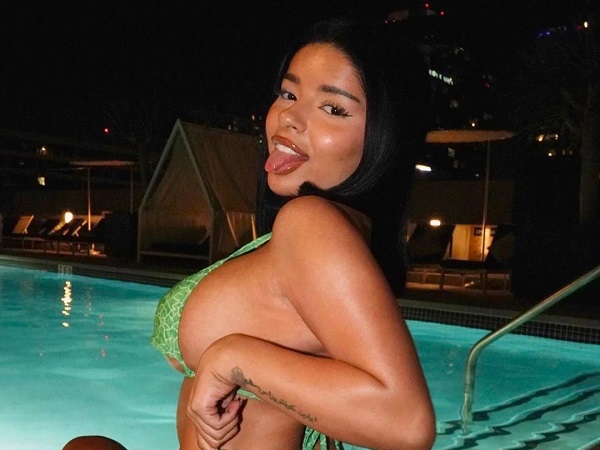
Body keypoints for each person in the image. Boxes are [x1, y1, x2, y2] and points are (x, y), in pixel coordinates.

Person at [66, 16, 436, 450]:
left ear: (386, 138)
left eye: (333, 108)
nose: (289, 117)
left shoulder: (313, 224)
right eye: (289, 93)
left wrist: (231, 359)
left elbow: (406, 424)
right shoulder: (331, 232)